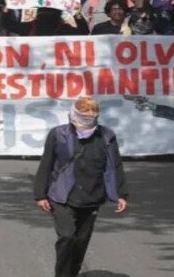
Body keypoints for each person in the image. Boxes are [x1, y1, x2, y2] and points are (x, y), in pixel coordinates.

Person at [33, 97, 128, 277]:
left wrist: (120, 194)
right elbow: (47, 163)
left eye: (93, 111)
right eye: (84, 110)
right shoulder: (58, 134)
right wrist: (40, 195)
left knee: (80, 242)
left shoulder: (106, 136)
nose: (89, 115)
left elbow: (114, 166)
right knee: (67, 237)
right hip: (61, 196)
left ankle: (72, 274)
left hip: (92, 196)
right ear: (75, 111)